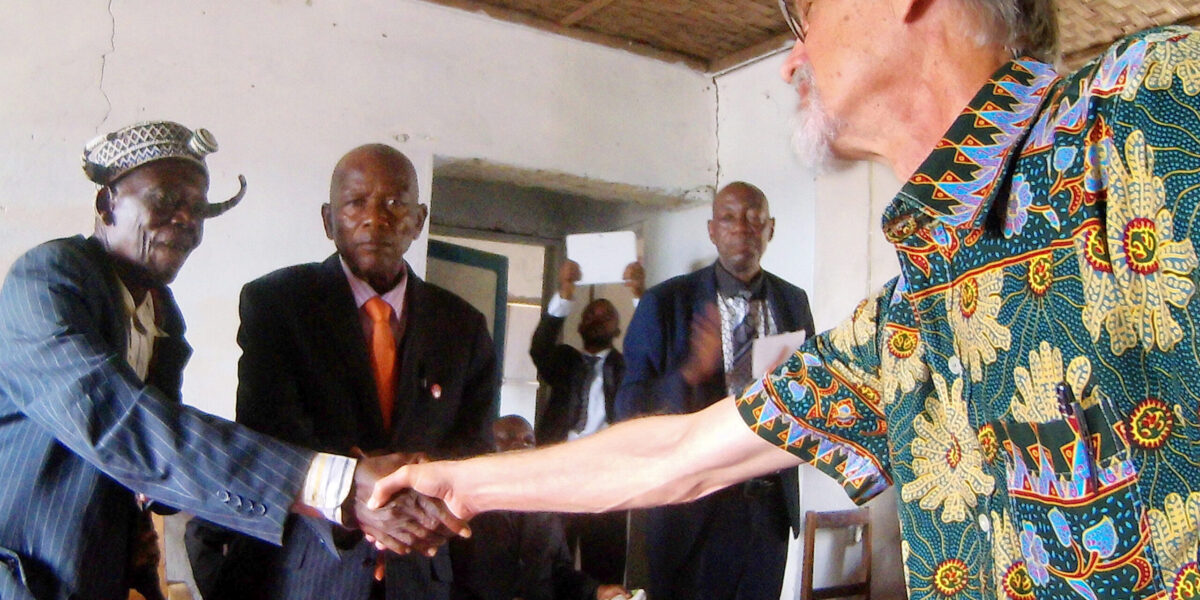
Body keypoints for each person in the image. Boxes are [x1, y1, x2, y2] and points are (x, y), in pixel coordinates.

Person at [370, 1, 1200, 598]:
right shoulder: (908, 320)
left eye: (802, 11)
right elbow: (685, 455)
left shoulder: (1149, 112)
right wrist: (463, 485)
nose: (790, 57)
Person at [0, 121, 462, 600]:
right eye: (163, 201)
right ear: (107, 204)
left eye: (197, 210)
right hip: (28, 576)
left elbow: (152, 463)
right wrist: (336, 484)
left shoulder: (161, 314)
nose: (185, 222)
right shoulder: (48, 281)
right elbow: (120, 422)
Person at [186, 143, 497, 600]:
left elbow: (474, 446)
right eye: (356, 203)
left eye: (395, 203)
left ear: (419, 220)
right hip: (306, 570)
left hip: (419, 573)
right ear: (328, 220)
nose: (377, 218)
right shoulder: (278, 303)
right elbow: (271, 431)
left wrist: (422, 508)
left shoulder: (463, 325)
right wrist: (360, 503)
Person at [612, 181, 814, 599]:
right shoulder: (665, 303)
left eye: (754, 218)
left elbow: (811, 390)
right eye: (728, 217)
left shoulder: (793, 302)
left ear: (770, 229)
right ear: (711, 230)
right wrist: (687, 374)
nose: (742, 227)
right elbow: (627, 408)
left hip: (768, 512)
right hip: (691, 511)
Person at [530, 258, 642, 585]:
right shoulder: (563, 361)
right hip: (559, 469)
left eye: (607, 315)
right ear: (579, 324)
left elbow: (653, 348)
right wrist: (564, 294)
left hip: (609, 472)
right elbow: (539, 347)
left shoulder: (627, 368)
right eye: (591, 314)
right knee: (551, 554)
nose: (598, 318)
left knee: (604, 559)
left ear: (617, 329)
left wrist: (639, 296)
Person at [449, 416, 630, 600]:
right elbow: (449, 580)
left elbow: (560, 573)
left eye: (528, 441)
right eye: (506, 440)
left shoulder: (546, 510)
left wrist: (596, 592)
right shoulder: (463, 506)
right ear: (486, 447)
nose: (519, 447)